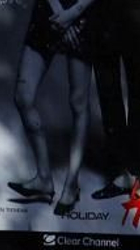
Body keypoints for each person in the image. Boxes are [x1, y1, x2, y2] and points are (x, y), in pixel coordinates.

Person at [8, 0, 98, 215]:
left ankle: (71, 183)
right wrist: (59, 14)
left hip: (81, 17)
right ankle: (44, 179)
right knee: (23, 97)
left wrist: (71, 15)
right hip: (49, 12)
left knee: (78, 103)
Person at [85, 0, 140, 202]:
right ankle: (125, 173)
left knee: (133, 98)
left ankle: (135, 172)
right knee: (115, 99)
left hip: (129, 19)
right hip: (108, 21)